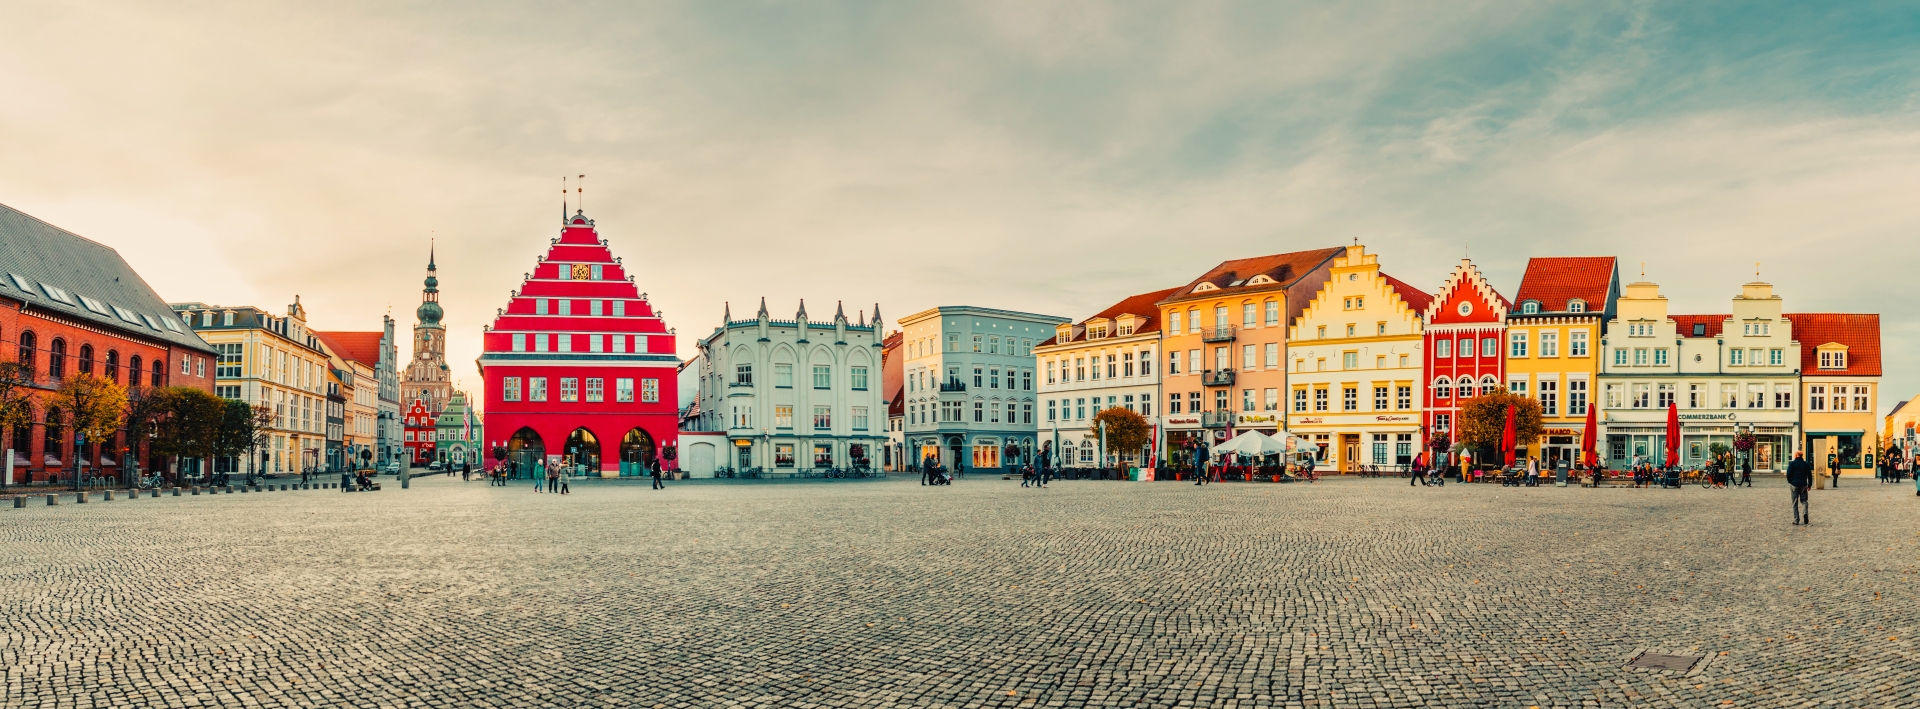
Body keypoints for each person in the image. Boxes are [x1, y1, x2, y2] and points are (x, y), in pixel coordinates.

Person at [1787, 451, 1813, 525]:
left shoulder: (1792, 463)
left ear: (1796, 455)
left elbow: (1788, 474)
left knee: (1795, 503)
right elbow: (1809, 475)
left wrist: (1790, 481)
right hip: (1803, 484)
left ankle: (1796, 520)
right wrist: (1809, 485)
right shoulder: (1806, 464)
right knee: (1804, 501)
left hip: (1794, 484)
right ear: (1802, 456)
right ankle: (1805, 512)